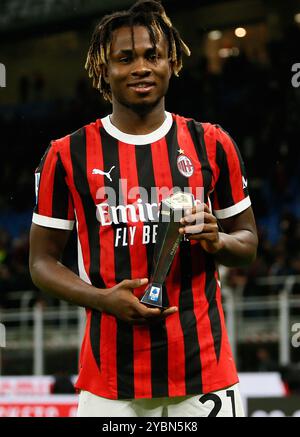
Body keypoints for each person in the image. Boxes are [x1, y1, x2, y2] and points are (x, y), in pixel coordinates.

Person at [29, 0, 258, 417]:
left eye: (152, 55)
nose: (140, 67)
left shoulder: (212, 143)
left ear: (171, 61)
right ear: (104, 69)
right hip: (110, 379)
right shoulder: (66, 155)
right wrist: (102, 299)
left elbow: (248, 243)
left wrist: (217, 239)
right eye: (124, 58)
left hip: (203, 371)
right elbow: (41, 262)